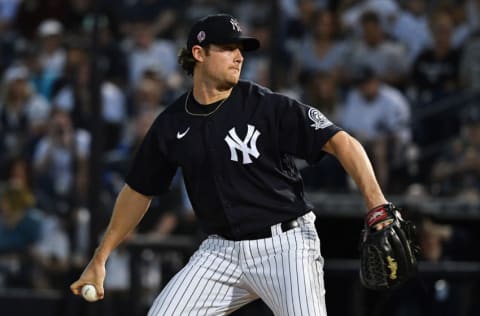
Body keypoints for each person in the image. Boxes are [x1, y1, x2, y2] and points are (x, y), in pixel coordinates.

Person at [71, 13, 391, 315]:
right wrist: (101, 257)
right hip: (220, 252)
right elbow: (138, 190)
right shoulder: (172, 123)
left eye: (241, 49)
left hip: (285, 246)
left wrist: (376, 203)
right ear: (199, 53)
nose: (239, 56)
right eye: (227, 48)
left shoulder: (265, 105)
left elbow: (342, 141)